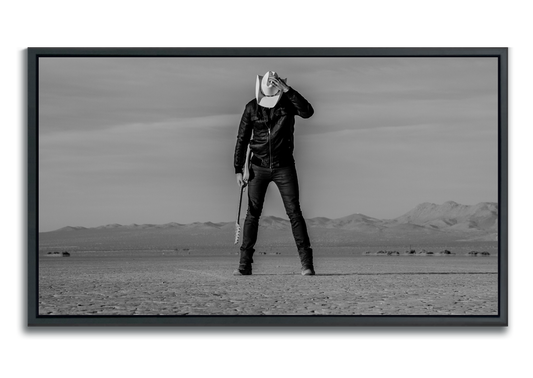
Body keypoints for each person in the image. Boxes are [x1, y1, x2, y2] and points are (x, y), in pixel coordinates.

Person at [233, 71, 315, 276]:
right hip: (257, 167)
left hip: (284, 166)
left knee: (294, 213)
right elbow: (242, 139)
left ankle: (307, 265)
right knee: (252, 214)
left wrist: (288, 91)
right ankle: (245, 265)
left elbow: (307, 112)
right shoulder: (251, 107)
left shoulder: (288, 104)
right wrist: (237, 169)